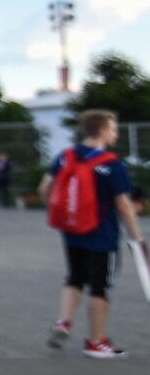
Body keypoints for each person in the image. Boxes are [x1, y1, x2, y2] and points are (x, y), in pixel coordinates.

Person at [40, 110, 147, 359]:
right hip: (101, 235)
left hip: (72, 230)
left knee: (74, 277)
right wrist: (137, 237)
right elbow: (123, 205)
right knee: (99, 287)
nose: (115, 133)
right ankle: (96, 341)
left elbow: (45, 188)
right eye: (113, 128)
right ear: (101, 131)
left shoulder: (65, 156)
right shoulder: (111, 164)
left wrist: (64, 210)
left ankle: (63, 322)